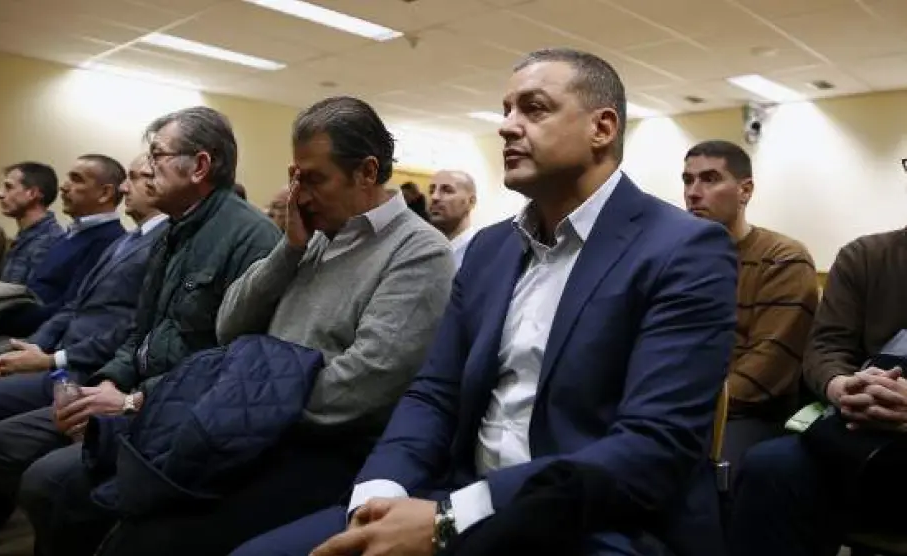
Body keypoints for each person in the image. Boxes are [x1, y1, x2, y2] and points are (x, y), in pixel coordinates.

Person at [232, 47, 736, 556]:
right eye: (506, 110)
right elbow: (434, 394)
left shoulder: (683, 248)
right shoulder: (491, 249)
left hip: (593, 522)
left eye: (533, 108)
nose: (507, 126)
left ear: (602, 128)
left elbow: (652, 445)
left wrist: (452, 519)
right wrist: (380, 493)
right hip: (457, 497)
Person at [46, 95, 457, 556]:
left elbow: (362, 386)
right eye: (295, 178)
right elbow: (230, 326)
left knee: (149, 535)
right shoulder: (315, 237)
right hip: (251, 422)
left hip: (323, 446)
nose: (300, 195)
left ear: (366, 171)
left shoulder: (419, 251)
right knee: (79, 488)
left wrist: (240, 404)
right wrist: (289, 250)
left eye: (314, 179)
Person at [0, 106, 281, 556]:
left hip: (175, 410)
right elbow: (141, 331)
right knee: (0, 443)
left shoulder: (251, 238)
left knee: (48, 483)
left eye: (157, 156)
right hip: (127, 392)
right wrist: (108, 382)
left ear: (199, 166)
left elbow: (229, 362)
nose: (143, 172)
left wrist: (133, 400)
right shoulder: (173, 230)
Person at [0, 155, 166, 556]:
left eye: (136, 178)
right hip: (52, 350)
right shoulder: (129, 239)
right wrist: (30, 346)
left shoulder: (160, 241)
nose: (125, 188)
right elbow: (73, 308)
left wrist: (53, 359)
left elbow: (132, 328)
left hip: (85, 368)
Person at [728, 228, 907, 556]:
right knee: (769, 468)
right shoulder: (864, 256)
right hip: (860, 430)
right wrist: (842, 386)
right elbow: (826, 347)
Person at [682, 140, 819, 472]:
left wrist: (684, 406)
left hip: (750, 413)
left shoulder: (783, 258)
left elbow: (767, 367)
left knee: (687, 465)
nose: (693, 193)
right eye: (688, 180)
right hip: (682, 402)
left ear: (745, 190)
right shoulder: (679, 259)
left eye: (710, 179)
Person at [0, 154, 130, 338]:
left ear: (105, 193)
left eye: (76, 179)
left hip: (32, 340)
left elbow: (70, 308)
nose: (64, 186)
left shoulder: (108, 241)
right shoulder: (75, 233)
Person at [0, 162, 65, 285]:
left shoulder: (49, 242)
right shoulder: (24, 236)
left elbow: (32, 295)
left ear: (32, 193)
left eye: (9, 187)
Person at [428, 170, 478, 268]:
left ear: (471, 202)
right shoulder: (423, 248)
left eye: (447, 191)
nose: (434, 197)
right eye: (431, 191)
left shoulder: (482, 252)